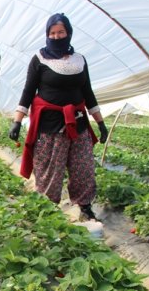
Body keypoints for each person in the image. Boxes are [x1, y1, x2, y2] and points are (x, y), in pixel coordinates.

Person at [8, 13, 108, 221]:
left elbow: (88, 92)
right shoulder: (39, 59)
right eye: (52, 33)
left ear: (69, 34)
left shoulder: (79, 60)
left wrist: (100, 122)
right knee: (50, 171)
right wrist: (17, 122)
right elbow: (28, 92)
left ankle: (85, 207)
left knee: (84, 168)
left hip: (78, 123)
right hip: (49, 126)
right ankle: (47, 212)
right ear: (47, 35)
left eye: (60, 32)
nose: (56, 36)